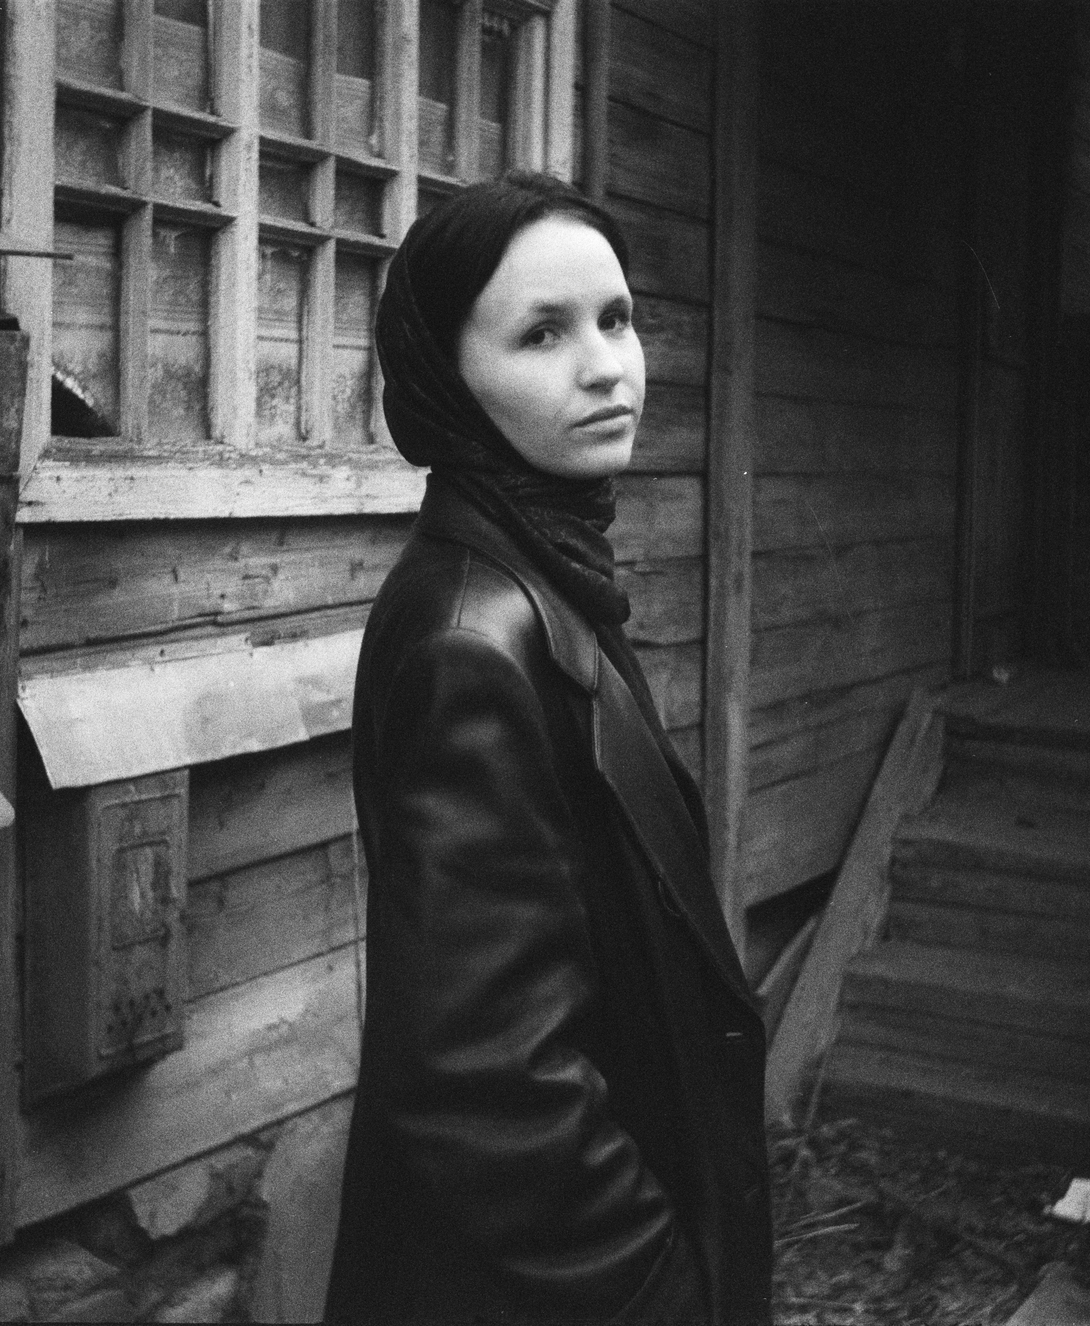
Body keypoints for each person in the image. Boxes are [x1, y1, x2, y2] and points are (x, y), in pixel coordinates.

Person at [324, 171, 771, 1325]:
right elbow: (489, 1089)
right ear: (448, 378)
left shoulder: (544, 573)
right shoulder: (472, 640)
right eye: (541, 333)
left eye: (616, 319)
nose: (605, 365)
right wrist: (664, 1286)